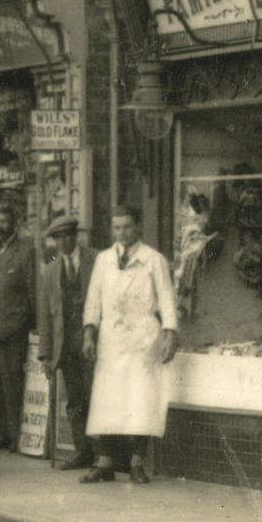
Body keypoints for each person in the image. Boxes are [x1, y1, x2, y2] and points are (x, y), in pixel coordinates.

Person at [79, 205, 177, 486]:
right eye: (117, 227)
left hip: (143, 339)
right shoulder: (104, 260)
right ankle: (106, 461)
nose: (121, 232)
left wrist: (170, 333)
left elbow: (167, 298)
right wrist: (89, 333)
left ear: (138, 228)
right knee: (108, 399)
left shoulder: (153, 260)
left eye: (127, 227)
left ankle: (136, 463)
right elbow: (93, 300)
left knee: (140, 399)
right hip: (111, 339)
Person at [36, 214, 98, 470]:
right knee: (74, 400)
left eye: (67, 236)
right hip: (66, 345)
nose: (63, 243)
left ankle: (104, 454)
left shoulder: (96, 260)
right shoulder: (51, 271)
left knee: (97, 396)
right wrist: (45, 355)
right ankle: (82, 451)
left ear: (76, 236)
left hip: (93, 341)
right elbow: (45, 315)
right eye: (57, 238)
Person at [0, 200, 38, 454]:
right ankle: (2, 433)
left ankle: (15, 437)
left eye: (4, 221)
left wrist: (34, 326)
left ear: (14, 223)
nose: (0, 226)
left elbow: (34, 290)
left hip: (13, 329)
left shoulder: (26, 251)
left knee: (12, 385)